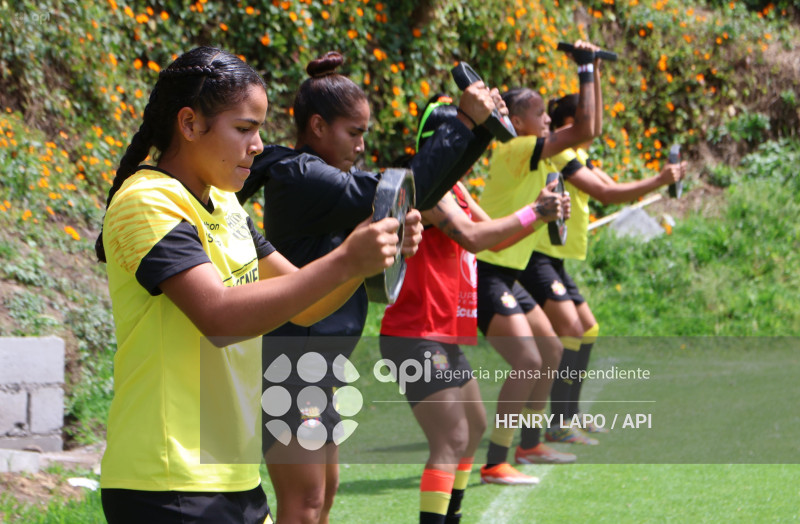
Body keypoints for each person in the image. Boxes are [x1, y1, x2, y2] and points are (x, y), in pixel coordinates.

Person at [95, 46, 402, 524]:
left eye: (258, 130)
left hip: (234, 476)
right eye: (244, 129)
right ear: (190, 123)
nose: (258, 146)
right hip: (166, 480)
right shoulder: (147, 201)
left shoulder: (225, 203)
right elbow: (218, 315)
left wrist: (365, 262)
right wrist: (344, 259)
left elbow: (303, 303)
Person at [237, 51, 502, 524]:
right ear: (317, 126)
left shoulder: (331, 176)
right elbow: (404, 191)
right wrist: (464, 120)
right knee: (304, 502)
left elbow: (423, 192)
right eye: (353, 133)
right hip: (293, 356)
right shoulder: (303, 176)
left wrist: (481, 130)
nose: (361, 145)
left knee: (324, 494)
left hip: (322, 357)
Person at [379, 95, 566, 524]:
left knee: (474, 428)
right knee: (452, 438)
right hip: (415, 333)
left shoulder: (456, 188)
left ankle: (452, 515)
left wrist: (541, 214)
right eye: (464, 142)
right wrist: (534, 210)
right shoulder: (424, 189)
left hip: (442, 333)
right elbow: (474, 238)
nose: (471, 153)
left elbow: (493, 237)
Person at [518, 88, 687, 442]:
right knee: (570, 333)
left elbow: (614, 186)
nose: (596, 123)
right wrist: (660, 180)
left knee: (586, 329)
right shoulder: (560, 152)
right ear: (572, 122)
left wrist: (660, 179)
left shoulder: (576, 154)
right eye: (589, 115)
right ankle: (557, 423)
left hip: (557, 257)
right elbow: (606, 195)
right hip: (537, 254)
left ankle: (568, 416)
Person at [474, 40, 604, 481]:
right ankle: (496, 460)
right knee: (530, 361)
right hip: (488, 273)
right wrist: (586, 69)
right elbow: (585, 131)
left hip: (510, 275)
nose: (548, 120)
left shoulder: (530, 158)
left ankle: (529, 444)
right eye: (540, 115)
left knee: (551, 349)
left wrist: (594, 70)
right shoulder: (514, 149)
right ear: (515, 121)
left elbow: (589, 129)